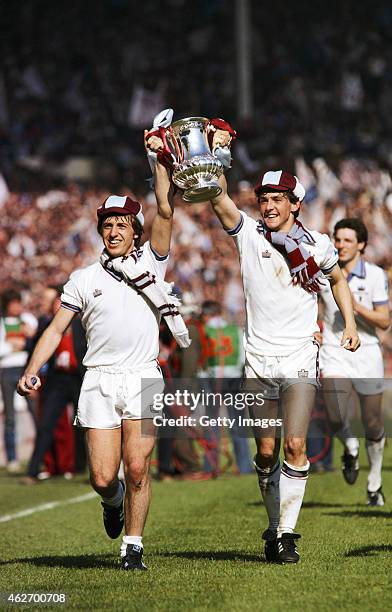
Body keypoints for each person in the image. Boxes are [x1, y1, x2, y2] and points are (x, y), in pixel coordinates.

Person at [17, 149, 186, 571]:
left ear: (136, 231)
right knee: (103, 477)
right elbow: (55, 330)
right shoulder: (84, 279)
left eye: (122, 224)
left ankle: (133, 547)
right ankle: (112, 504)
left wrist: (161, 164)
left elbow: (165, 210)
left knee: (138, 467)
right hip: (99, 380)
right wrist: (31, 370)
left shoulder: (153, 261)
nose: (113, 231)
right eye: (107, 225)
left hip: (145, 377)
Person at [204, 161, 360, 563]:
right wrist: (218, 160)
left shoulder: (319, 244)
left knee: (294, 444)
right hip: (257, 358)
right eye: (264, 199)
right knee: (267, 453)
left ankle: (287, 534)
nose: (269, 205)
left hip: (299, 356)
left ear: (295, 204)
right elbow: (219, 198)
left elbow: (338, 279)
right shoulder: (248, 234)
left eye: (277, 199)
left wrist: (349, 323)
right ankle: (273, 527)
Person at [319, 218, 390, 506]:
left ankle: (374, 482)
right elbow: (313, 305)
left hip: (368, 351)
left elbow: (384, 320)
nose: (341, 245)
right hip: (334, 348)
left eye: (348, 240)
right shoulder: (323, 271)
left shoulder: (374, 275)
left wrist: (355, 307)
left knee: (373, 423)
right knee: (335, 412)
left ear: (361, 244)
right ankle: (349, 446)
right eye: (338, 239)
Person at [22, 285, 87, 484]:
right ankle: (33, 470)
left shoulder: (81, 326)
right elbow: (34, 350)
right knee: (46, 424)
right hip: (56, 380)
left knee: (85, 424)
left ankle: (81, 466)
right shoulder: (48, 326)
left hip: (78, 379)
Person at [0, 289, 37, 472]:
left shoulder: (28, 320)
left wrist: (24, 341)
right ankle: (12, 458)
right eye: (13, 303)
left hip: (26, 369)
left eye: (18, 303)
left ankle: (41, 455)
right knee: (10, 416)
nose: (17, 307)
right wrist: (11, 346)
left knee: (35, 411)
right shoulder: (2, 323)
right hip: (6, 370)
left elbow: (37, 341)